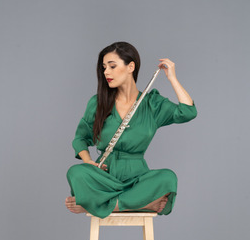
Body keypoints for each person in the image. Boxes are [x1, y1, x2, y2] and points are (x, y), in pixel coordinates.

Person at [65, 41, 197, 219]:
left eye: (112, 66)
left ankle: (96, 204)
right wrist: (88, 161)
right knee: (76, 172)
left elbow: (188, 112)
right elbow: (80, 138)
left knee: (168, 178)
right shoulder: (97, 103)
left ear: (131, 66)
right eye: (104, 67)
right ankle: (143, 204)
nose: (106, 72)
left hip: (137, 178)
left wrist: (172, 78)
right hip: (104, 177)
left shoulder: (152, 104)